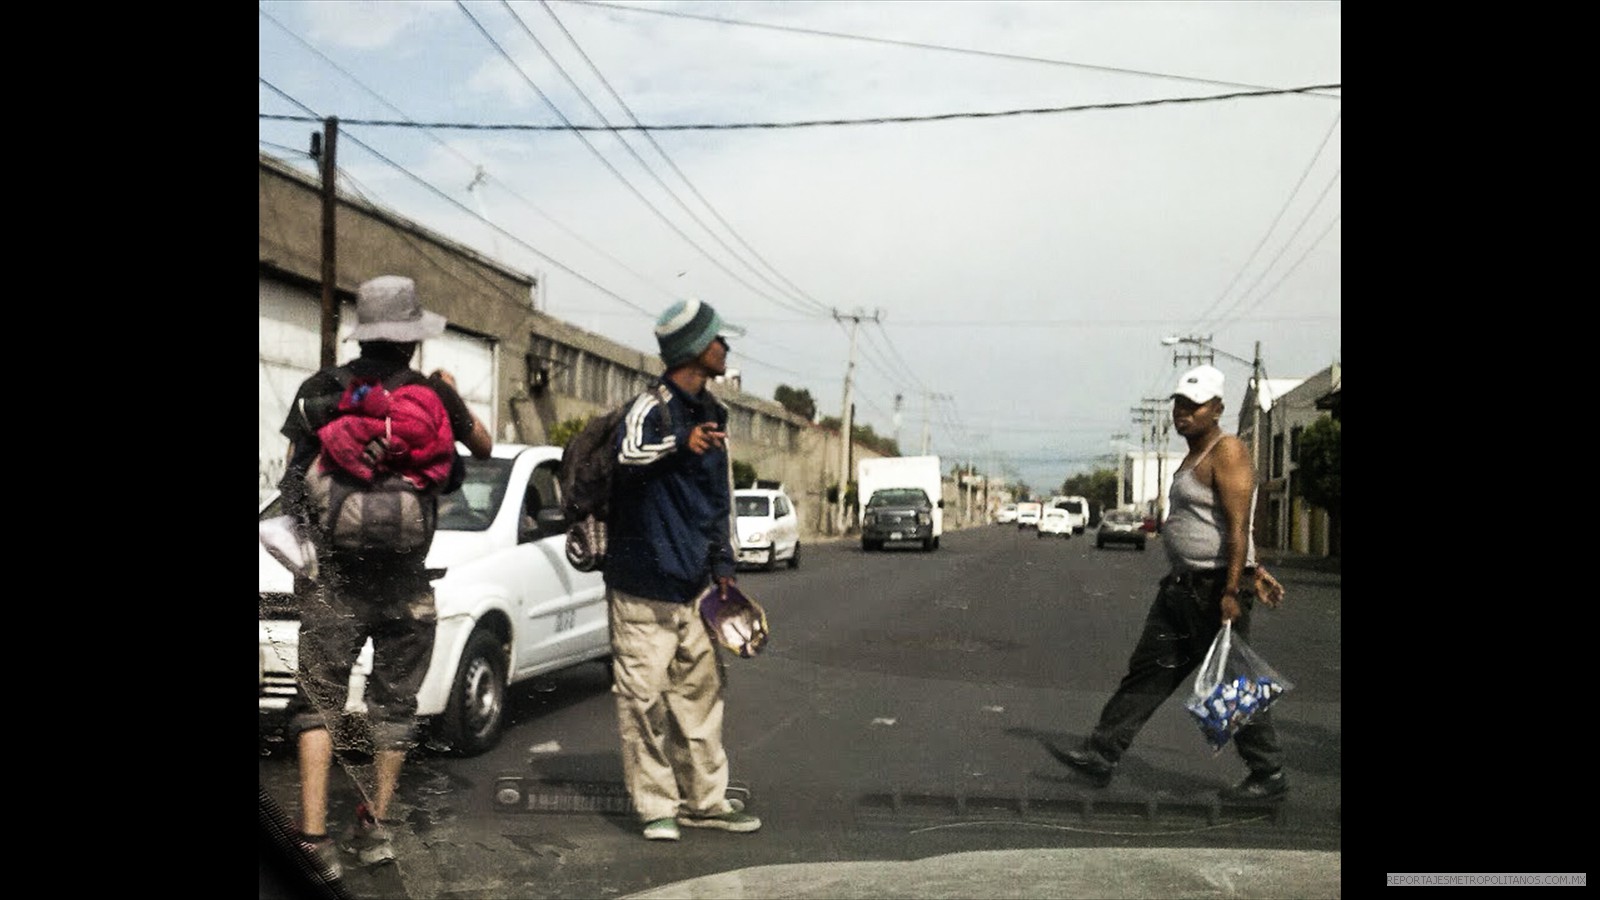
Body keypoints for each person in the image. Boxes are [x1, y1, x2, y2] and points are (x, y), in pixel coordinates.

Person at [277, 275, 493, 881]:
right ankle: (374, 829)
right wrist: (451, 398)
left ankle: (314, 838)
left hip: (333, 580)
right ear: (412, 339)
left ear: (363, 331)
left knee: (317, 702)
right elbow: (477, 452)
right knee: (394, 705)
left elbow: (292, 484)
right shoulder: (430, 395)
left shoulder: (320, 389)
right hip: (406, 581)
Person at [1046, 364, 1290, 802]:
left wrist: (1235, 588)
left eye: (1194, 407)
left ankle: (1268, 772)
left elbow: (1239, 526)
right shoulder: (1193, 454)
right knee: (1147, 672)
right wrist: (1253, 568)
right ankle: (1102, 753)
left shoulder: (1227, 450)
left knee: (1230, 685)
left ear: (1216, 409)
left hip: (1214, 590)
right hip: (1181, 588)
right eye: (1179, 405)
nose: (1183, 414)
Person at [604, 297, 763, 841]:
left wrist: (724, 565)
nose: (727, 347)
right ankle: (656, 809)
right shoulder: (650, 408)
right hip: (641, 588)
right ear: (695, 349)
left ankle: (705, 802)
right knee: (643, 702)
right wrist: (678, 445)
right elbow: (624, 456)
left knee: (700, 700)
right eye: (720, 339)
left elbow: (717, 496)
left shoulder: (714, 414)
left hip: (696, 587)